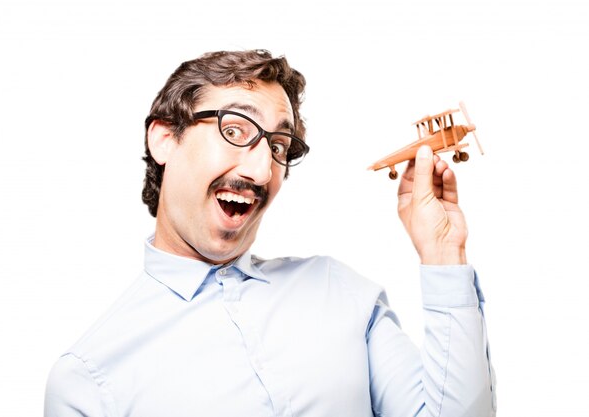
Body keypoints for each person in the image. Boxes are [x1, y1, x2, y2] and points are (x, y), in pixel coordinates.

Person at [44, 49, 495, 417]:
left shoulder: (341, 292)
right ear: (164, 139)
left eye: (278, 146)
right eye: (235, 129)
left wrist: (443, 254)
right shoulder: (88, 379)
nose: (262, 170)